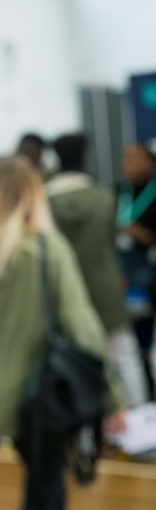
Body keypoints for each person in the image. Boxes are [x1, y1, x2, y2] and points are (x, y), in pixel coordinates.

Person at [0, 155, 124, 510]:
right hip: (48, 393)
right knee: (48, 486)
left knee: (41, 479)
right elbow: (82, 325)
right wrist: (112, 396)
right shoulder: (45, 249)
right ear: (33, 193)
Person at [46, 134, 151, 407]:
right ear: (84, 158)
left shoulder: (44, 203)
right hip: (106, 287)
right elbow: (111, 242)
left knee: (73, 359)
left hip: (62, 292)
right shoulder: (104, 197)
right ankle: (139, 421)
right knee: (125, 357)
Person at [116, 142, 156, 402]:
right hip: (124, 279)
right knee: (129, 349)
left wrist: (144, 235)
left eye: (136, 159)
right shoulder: (118, 192)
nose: (129, 165)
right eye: (126, 159)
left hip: (151, 276)